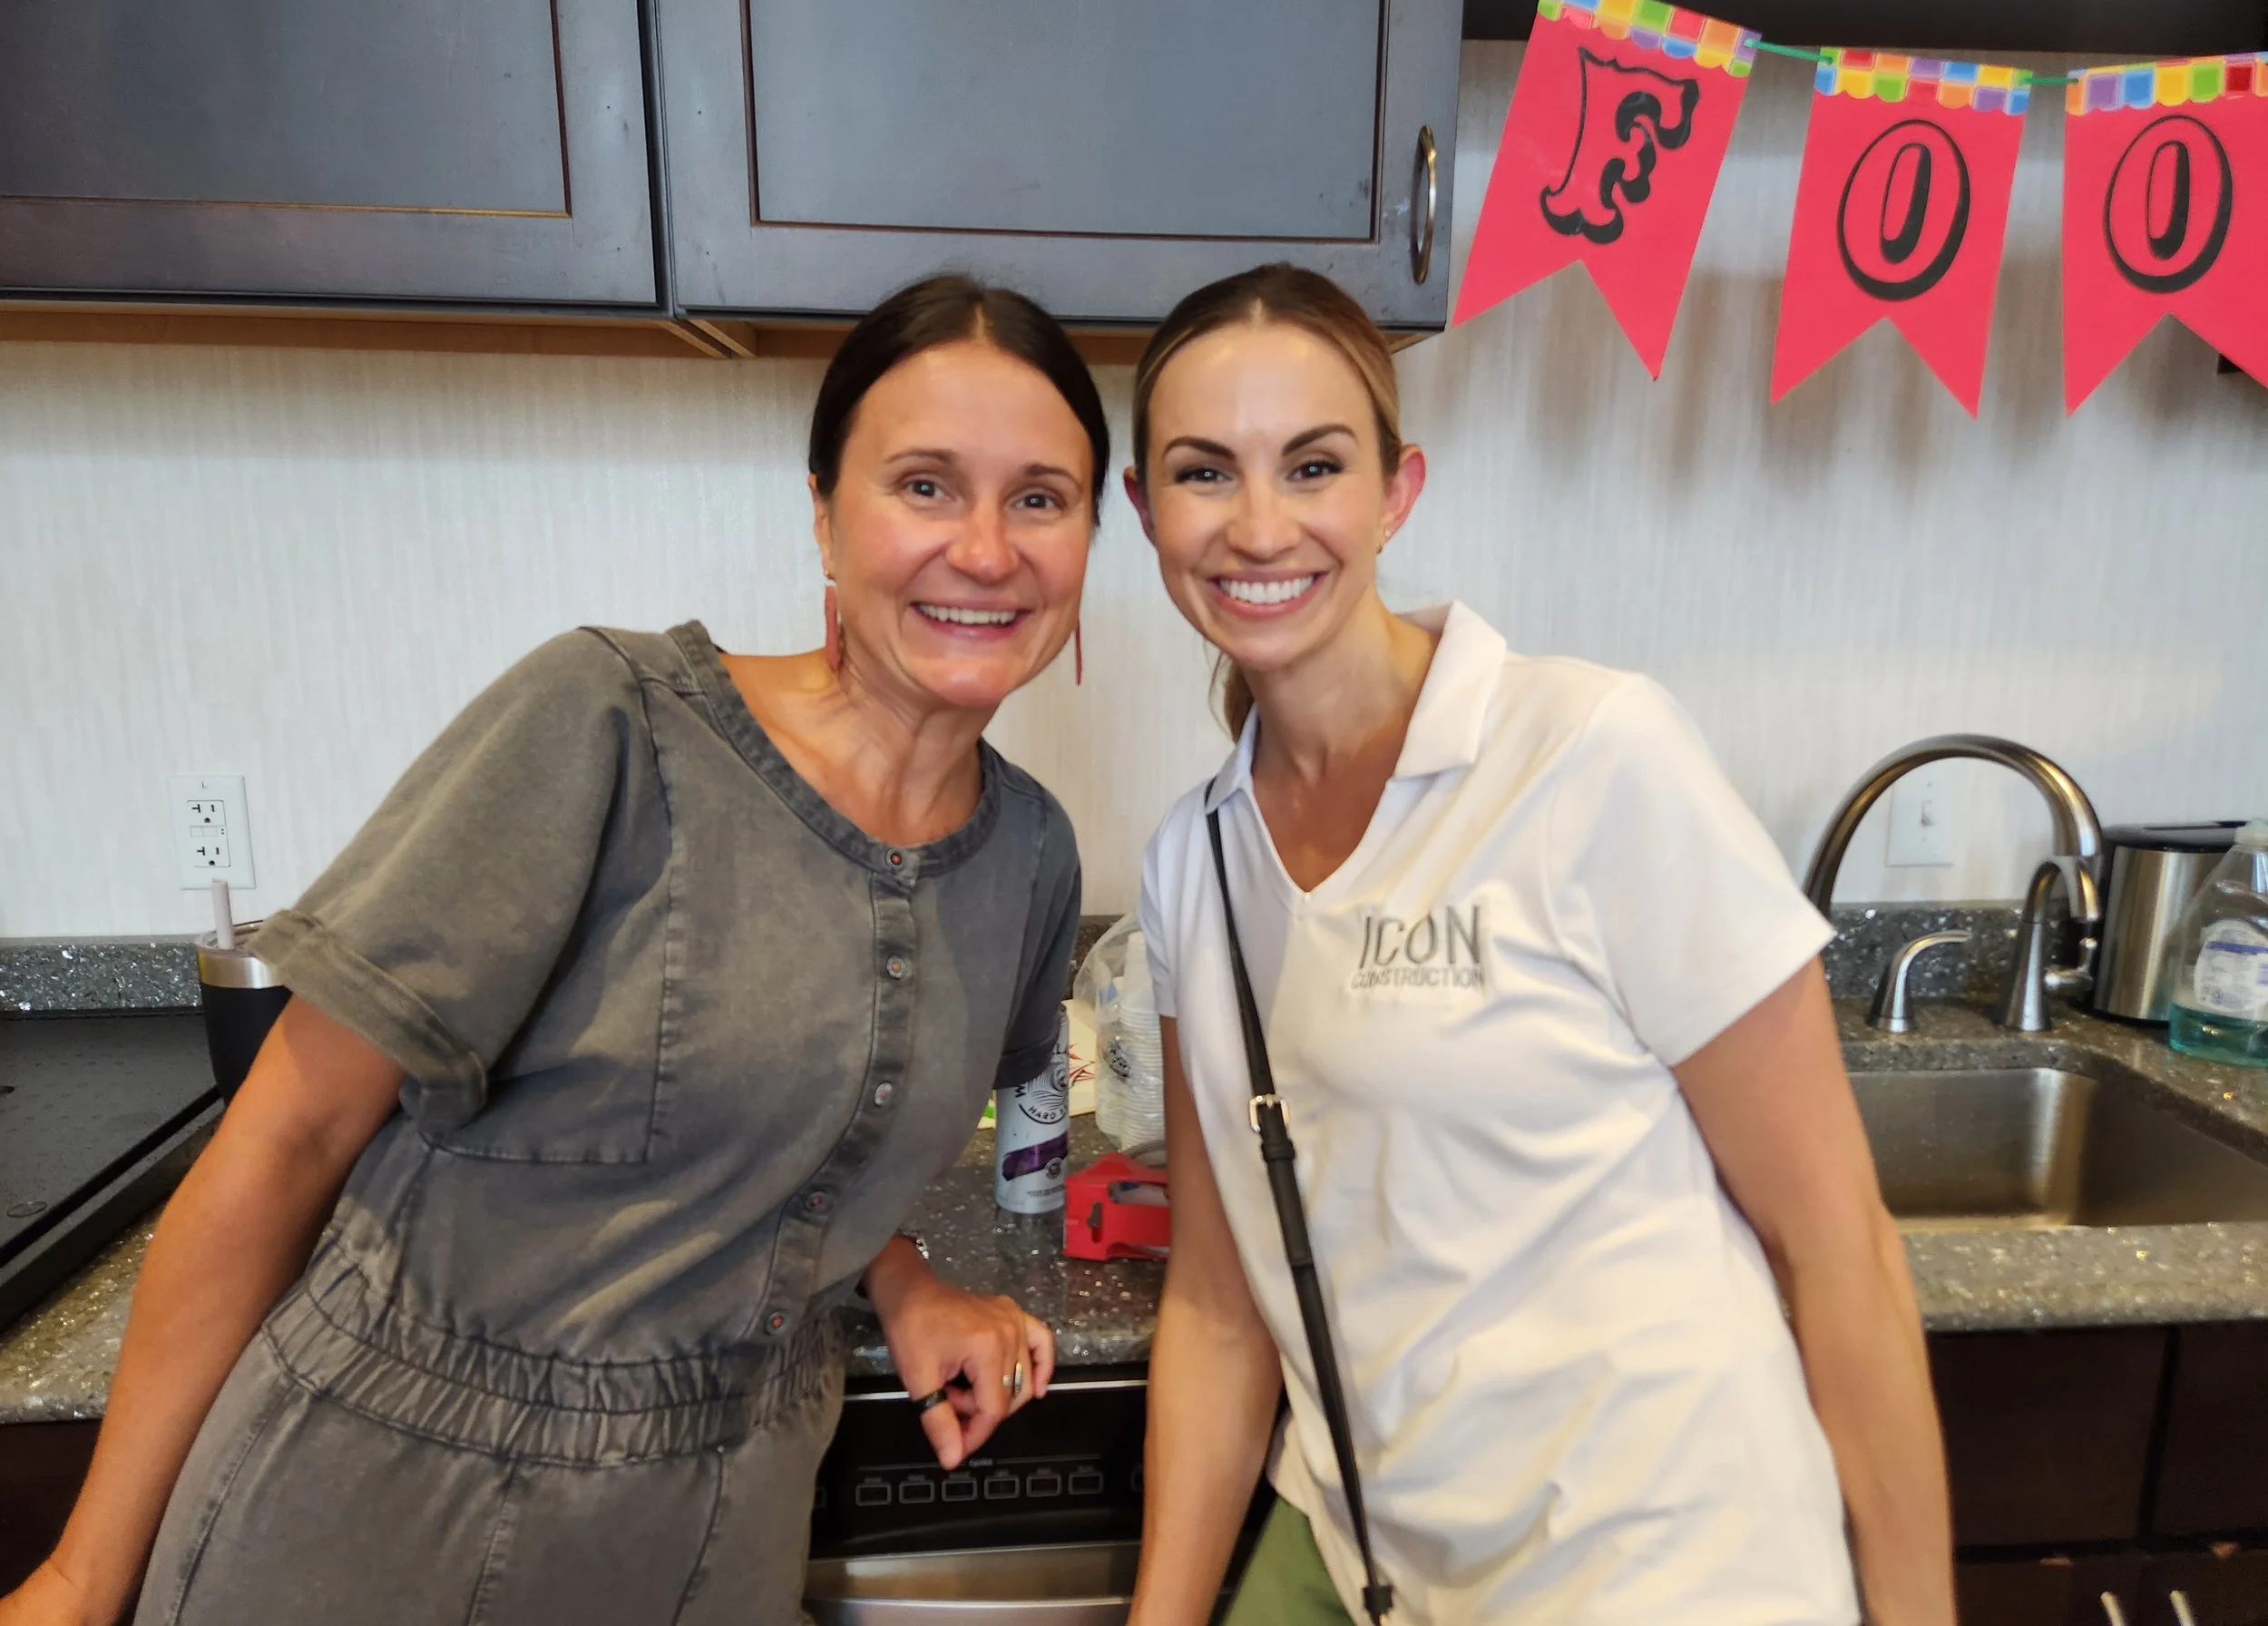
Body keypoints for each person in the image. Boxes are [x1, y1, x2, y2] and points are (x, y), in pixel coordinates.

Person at [0, 275, 1105, 1626]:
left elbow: (805, 1127)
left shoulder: (1032, 858)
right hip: (380, 1515)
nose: (985, 548)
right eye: (925, 484)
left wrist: (909, 1277)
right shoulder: (609, 722)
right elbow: (284, 1135)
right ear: (824, 511)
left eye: (1039, 496)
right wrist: (77, 1574)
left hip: (718, 1538)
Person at [1119, 265, 1953, 1626]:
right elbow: (1221, 1301)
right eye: (1206, 472)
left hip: (1655, 1563)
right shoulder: (1192, 861)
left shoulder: (1586, 753)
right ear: (1145, 510)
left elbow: (1836, 1241)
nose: (1260, 525)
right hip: (1365, 1550)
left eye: (1314, 465)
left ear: (1397, 493)